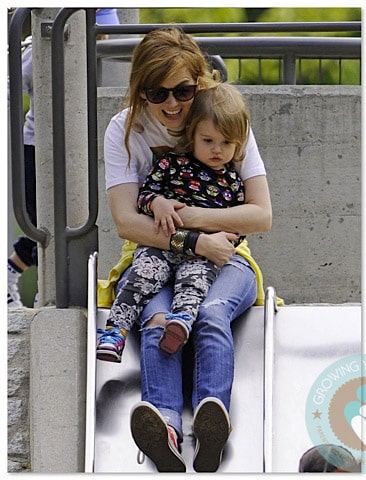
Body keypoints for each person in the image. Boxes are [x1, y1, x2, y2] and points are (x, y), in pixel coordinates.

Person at [98, 26, 272, 472]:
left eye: (183, 90)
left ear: (200, 82)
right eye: (158, 92)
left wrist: (190, 216)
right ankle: (167, 428)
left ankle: (214, 417)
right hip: (153, 259)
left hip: (226, 259)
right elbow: (126, 222)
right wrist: (191, 240)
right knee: (157, 320)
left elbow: (260, 216)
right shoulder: (124, 130)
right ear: (141, 90)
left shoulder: (223, 119)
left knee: (211, 312)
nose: (172, 104)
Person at [96, 83, 250, 362]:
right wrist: (158, 203)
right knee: (141, 278)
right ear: (193, 136)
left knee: (195, 285)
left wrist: (225, 239)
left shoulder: (233, 182)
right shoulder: (171, 164)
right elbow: (143, 196)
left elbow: (240, 221)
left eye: (226, 144)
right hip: (162, 243)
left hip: (203, 253)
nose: (217, 150)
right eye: (208, 141)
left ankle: (180, 323)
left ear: (238, 144)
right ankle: (115, 331)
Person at [7, 8, 120, 308]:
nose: (102, 36)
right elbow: (13, 82)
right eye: (98, 28)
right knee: (43, 221)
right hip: (38, 146)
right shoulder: (44, 47)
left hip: (85, 147)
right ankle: (39, 284)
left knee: (71, 221)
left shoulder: (105, 59)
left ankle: (17, 274)